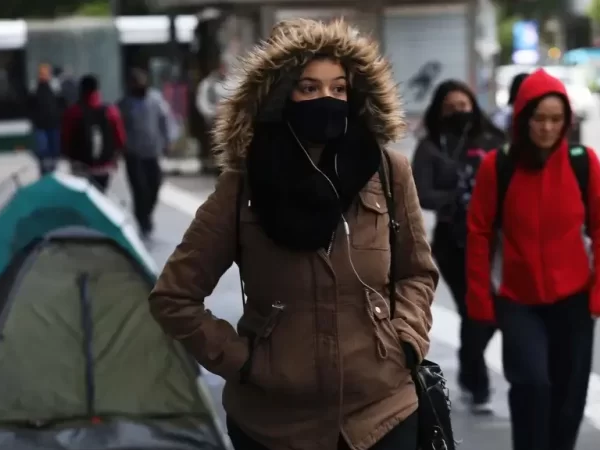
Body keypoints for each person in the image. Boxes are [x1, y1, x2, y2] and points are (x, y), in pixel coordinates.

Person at [148, 19, 438, 450]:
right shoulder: (244, 184)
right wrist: (243, 362)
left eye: (339, 89)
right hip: (273, 426)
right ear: (282, 96)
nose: (327, 99)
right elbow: (174, 298)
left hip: (382, 413)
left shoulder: (387, 172)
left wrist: (406, 342)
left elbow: (417, 273)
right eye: (309, 88)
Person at [466, 69, 600, 450]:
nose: (548, 128)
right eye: (539, 119)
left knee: (568, 399)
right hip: (519, 301)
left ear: (567, 121)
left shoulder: (584, 162)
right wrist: (480, 299)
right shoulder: (497, 166)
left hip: (575, 301)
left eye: (556, 119)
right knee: (532, 384)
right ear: (522, 118)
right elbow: (479, 233)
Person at [411, 79, 506, 414]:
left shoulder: (493, 139)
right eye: (450, 107)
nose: (457, 113)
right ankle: (476, 381)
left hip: (497, 242)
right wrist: (460, 200)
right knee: (472, 309)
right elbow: (421, 191)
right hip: (454, 243)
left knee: (496, 312)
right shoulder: (431, 146)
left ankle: (471, 367)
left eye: (463, 105)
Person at [118, 69, 170, 239]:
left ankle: (147, 213)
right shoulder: (125, 104)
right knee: (139, 189)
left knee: (155, 185)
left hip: (152, 152)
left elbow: (164, 119)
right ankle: (143, 221)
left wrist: (167, 140)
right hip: (134, 154)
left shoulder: (156, 99)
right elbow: (118, 127)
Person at [61, 74, 126, 192]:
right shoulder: (111, 111)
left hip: (80, 166)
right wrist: (116, 158)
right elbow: (120, 138)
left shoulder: (72, 112)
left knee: (83, 198)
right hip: (104, 166)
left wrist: (69, 157)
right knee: (100, 196)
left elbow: (66, 138)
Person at [195, 58, 232, 173]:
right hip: (214, 121)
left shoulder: (232, 82)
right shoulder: (208, 84)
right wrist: (213, 112)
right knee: (215, 146)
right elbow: (202, 102)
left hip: (229, 120)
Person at [29, 63, 64, 175]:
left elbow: (61, 104)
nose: (43, 76)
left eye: (45, 73)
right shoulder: (34, 88)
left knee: (53, 152)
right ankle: (44, 173)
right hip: (40, 126)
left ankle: (53, 172)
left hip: (53, 125)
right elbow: (30, 106)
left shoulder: (55, 87)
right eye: (41, 73)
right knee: (42, 152)